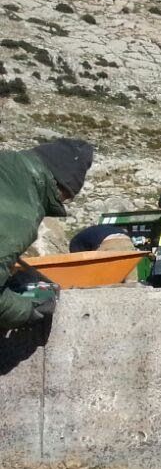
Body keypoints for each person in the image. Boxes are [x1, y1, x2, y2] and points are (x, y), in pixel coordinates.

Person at [0, 138, 95, 328]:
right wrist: (27, 310)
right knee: (42, 293)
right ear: (60, 188)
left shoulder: (6, 164)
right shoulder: (20, 217)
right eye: (66, 199)